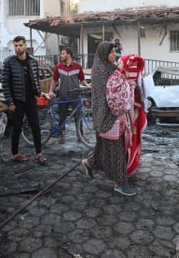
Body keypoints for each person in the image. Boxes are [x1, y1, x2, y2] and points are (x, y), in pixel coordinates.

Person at [81, 42, 145, 196]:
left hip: (112, 115)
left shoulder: (111, 68)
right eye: (111, 52)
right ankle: (120, 183)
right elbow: (112, 94)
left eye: (115, 52)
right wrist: (126, 85)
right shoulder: (100, 70)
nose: (114, 55)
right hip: (106, 116)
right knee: (117, 150)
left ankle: (89, 163)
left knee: (103, 148)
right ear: (104, 53)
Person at [2, 36, 46, 164]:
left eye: (20, 45)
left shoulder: (32, 61)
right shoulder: (9, 62)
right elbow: (5, 84)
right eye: (15, 46)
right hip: (16, 101)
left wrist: (38, 93)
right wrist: (10, 102)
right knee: (17, 128)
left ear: (25, 46)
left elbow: (36, 79)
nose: (18, 48)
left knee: (36, 127)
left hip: (30, 100)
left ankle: (39, 153)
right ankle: (14, 154)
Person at [48, 47, 90, 143]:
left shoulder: (78, 66)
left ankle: (80, 136)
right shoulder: (59, 67)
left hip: (75, 96)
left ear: (69, 54)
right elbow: (54, 80)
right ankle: (61, 136)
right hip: (63, 96)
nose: (61, 55)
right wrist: (51, 91)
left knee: (78, 116)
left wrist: (87, 85)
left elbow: (82, 80)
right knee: (62, 116)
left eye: (63, 53)